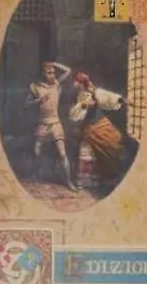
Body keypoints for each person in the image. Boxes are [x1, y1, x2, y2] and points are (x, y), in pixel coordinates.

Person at [69, 71, 132, 192]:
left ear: (82, 83)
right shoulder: (76, 96)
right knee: (89, 153)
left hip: (100, 124)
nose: (76, 85)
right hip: (87, 129)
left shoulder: (94, 92)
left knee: (115, 144)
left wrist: (120, 100)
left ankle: (117, 174)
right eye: (76, 82)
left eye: (79, 82)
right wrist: (84, 105)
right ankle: (88, 182)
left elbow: (108, 97)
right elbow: (73, 115)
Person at [28, 61, 76, 190]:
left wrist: (54, 63)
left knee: (62, 154)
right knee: (36, 150)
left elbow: (68, 70)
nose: (53, 75)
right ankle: (36, 174)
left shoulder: (56, 85)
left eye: (53, 72)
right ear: (42, 74)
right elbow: (26, 104)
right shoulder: (35, 87)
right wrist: (38, 101)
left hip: (55, 123)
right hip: (42, 124)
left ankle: (69, 182)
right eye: (49, 73)